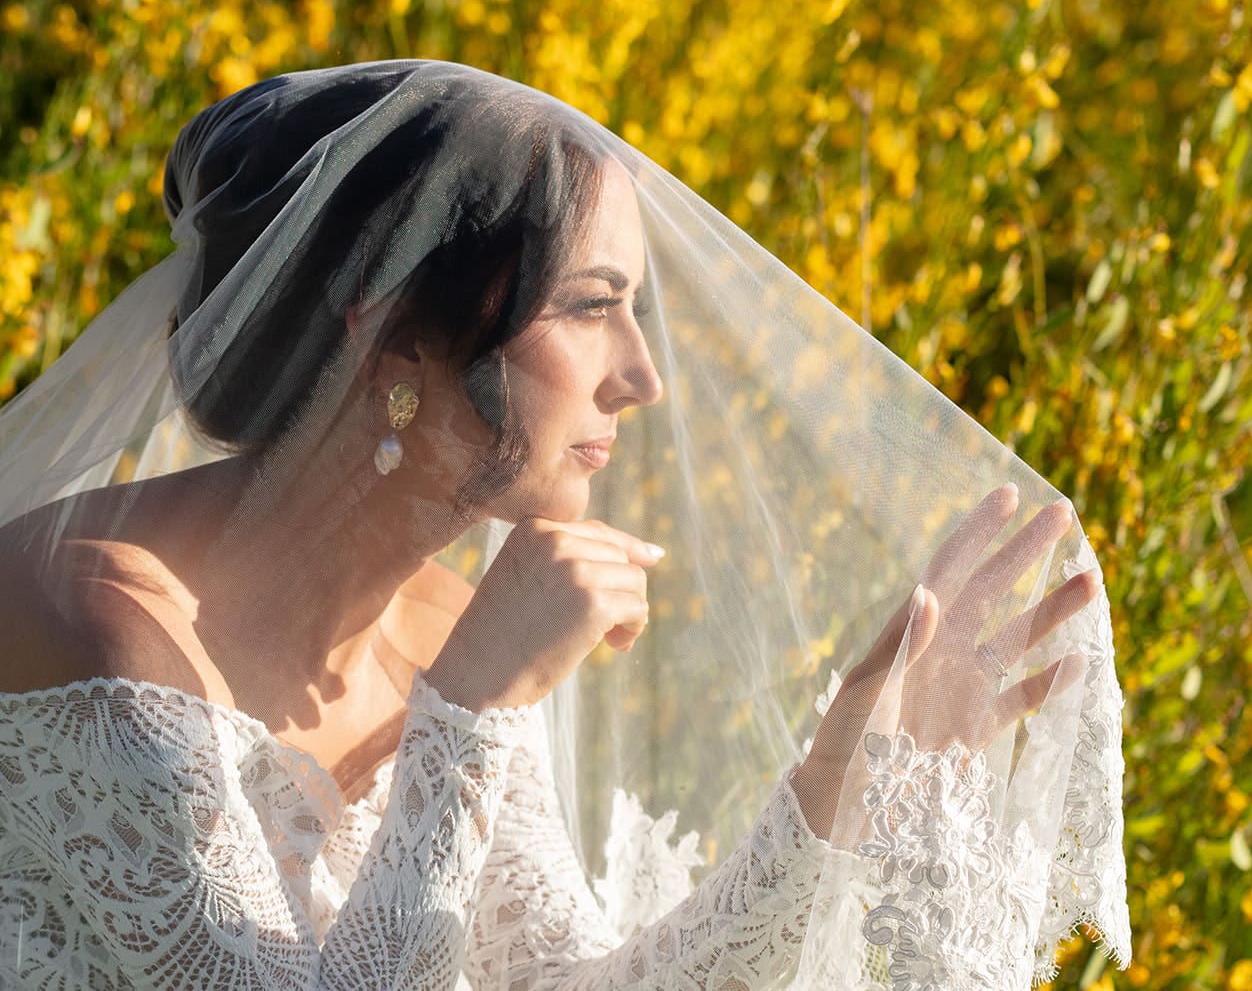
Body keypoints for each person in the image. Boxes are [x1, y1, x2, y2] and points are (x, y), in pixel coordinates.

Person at [0, 60, 1131, 988]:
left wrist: (834, 783)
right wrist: (472, 705)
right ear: (393, 339)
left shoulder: (449, 618)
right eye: (592, 307)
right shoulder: (99, 624)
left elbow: (549, 983)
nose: (641, 375)